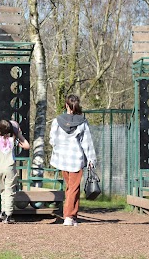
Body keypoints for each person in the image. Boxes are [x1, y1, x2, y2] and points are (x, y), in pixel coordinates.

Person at [49, 94, 97, 227]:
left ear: (66, 105)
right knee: (74, 188)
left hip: (62, 159)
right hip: (76, 159)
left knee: (70, 187)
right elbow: (86, 142)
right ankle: (69, 216)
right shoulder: (82, 122)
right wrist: (91, 159)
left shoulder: (57, 120)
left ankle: (71, 215)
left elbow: (52, 140)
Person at [0, 119, 30, 224]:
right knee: (10, 190)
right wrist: (19, 134)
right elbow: (27, 145)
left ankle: (3, 210)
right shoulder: (12, 139)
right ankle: (8, 214)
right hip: (9, 166)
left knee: (2, 189)